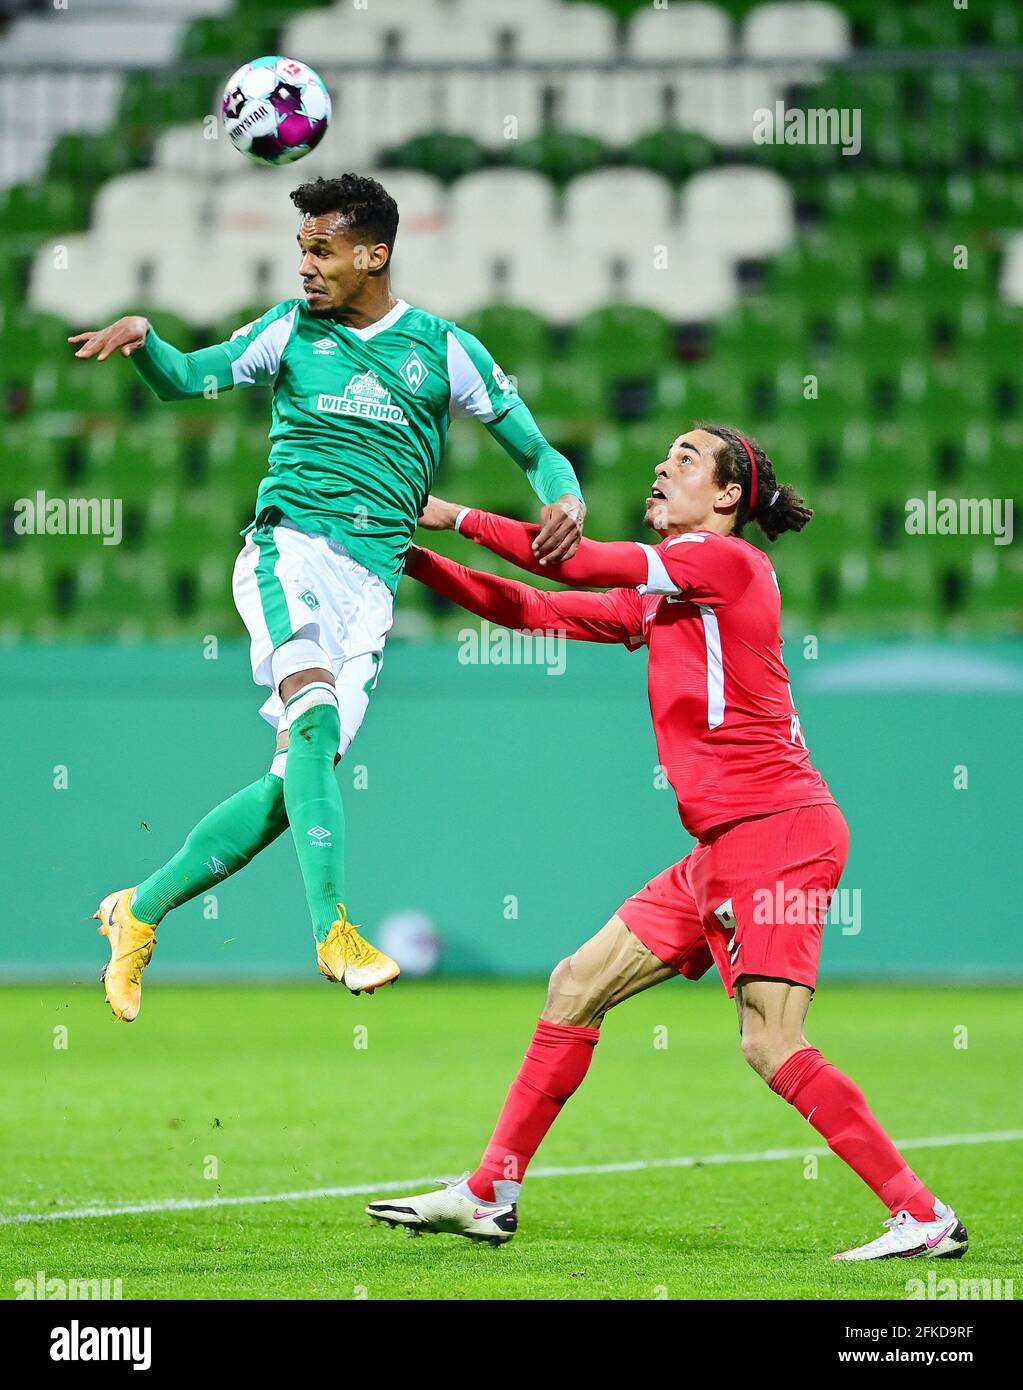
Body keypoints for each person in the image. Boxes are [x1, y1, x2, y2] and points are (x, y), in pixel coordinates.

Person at [367, 425, 966, 1261]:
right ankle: (489, 1192)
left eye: (685, 459)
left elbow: (569, 563)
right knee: (574, 986)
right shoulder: (669, 592)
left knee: (770, 1042)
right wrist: (413, 556)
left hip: (778, 832)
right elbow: (532, 607)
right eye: (664, 455)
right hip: (722, 848)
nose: (660, 465)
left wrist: (444, 514)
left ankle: (921, 1214)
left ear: (727, 497)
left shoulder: (726, 564)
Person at [68, 173, 585, 1020]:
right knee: (309, 721)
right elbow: (188, 379)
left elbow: (537, 453)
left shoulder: (445, 349)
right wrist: (145, 340)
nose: (305, 267)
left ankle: (139, 908)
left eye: (322, 250)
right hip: (288, 554)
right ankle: (333, 928)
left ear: (373, 253)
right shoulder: (288, 330)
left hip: (371, 592)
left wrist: (566, 499)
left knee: (288, 786)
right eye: (299, 249)